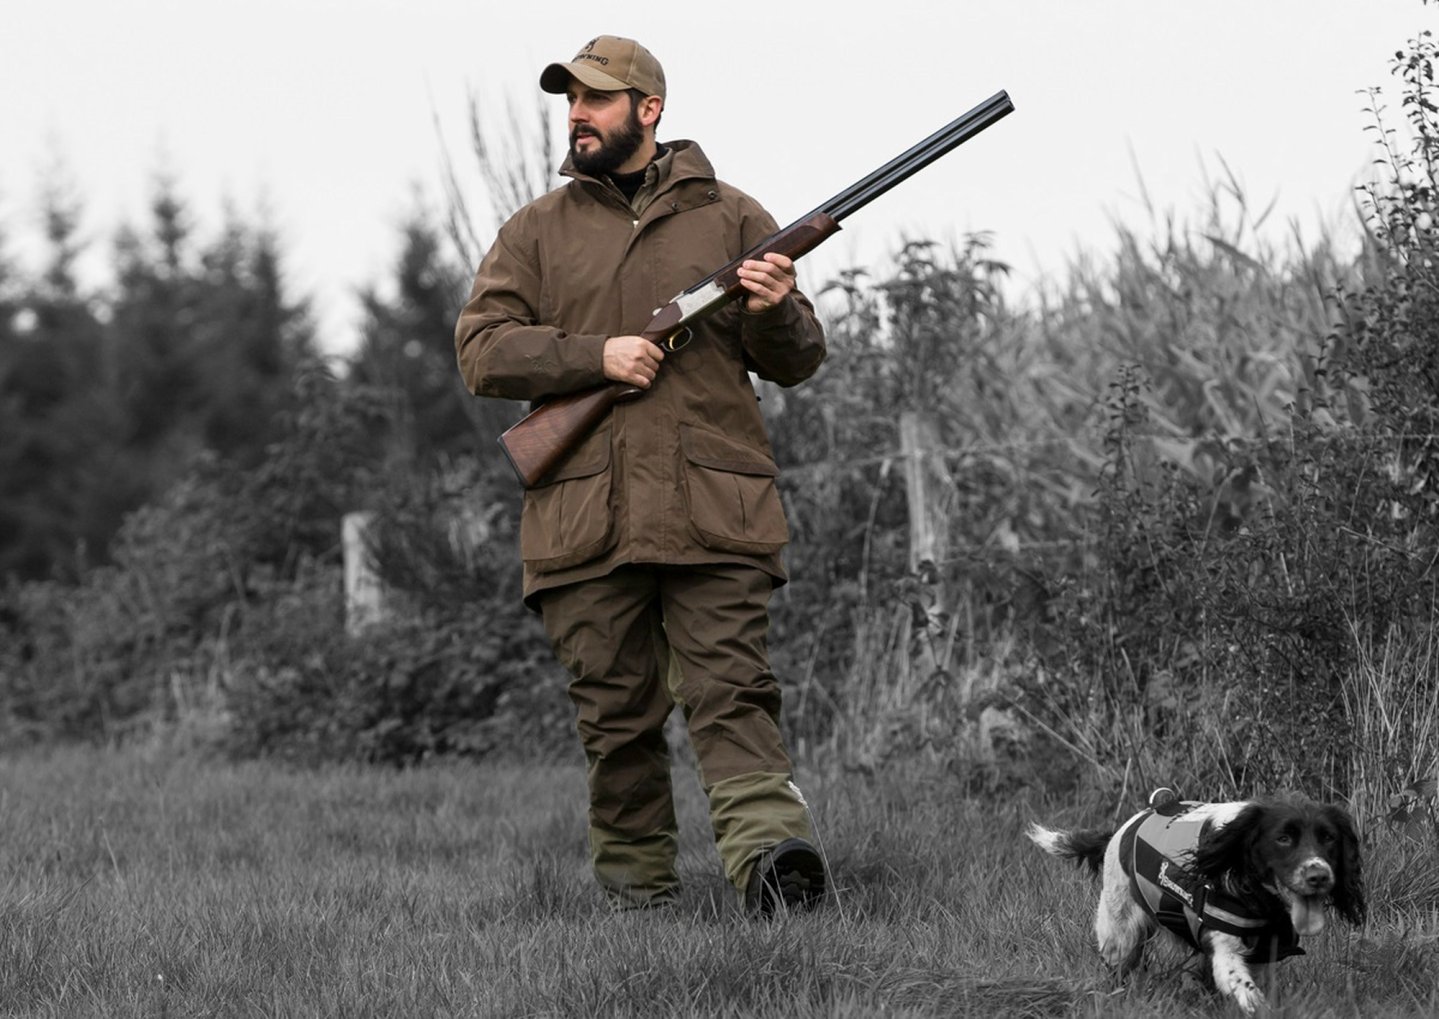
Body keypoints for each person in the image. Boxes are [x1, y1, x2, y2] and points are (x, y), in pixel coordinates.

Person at [454, 34, 828, 915]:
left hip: (713, 509)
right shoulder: (535, 230)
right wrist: (597, 356)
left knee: (732, 691)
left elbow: (798, 357)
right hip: (587, 517)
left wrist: (774, 311)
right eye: (570, 99)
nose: (576, 113)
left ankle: (774, 865)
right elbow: (480, 350)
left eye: (596, 98)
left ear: (647, 110)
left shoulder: (734, 216)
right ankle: (637, 900)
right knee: (615, 719)